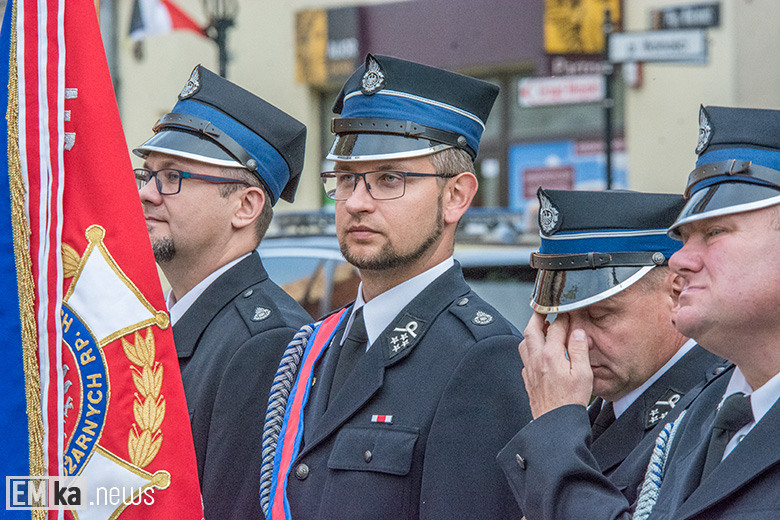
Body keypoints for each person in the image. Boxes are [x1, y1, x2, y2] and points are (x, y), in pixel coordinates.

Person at [261, 54, 530, 519]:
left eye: (390, 179)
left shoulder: (484, 356)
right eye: (346, 179)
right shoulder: (320, 342)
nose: (358, 203)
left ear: (456, 196)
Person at [501, 105, 780, 519]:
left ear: (670, 293)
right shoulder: (709, 413)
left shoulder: (696, 410)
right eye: (684, 237)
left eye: (715, 231)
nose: (682, 260)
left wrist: (557, 430)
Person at [133, 65, 312, 519]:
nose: (148, 194)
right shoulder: (162, 322)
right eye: (147, 173)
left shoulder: (266, 342)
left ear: (245, 206)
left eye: (173, 177)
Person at [498, 188, 725, 502]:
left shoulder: (711, 414)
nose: (576, 341)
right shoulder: (602, 412)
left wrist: (556, 426)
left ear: (676, 292)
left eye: (600, 315)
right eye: (562, 318)